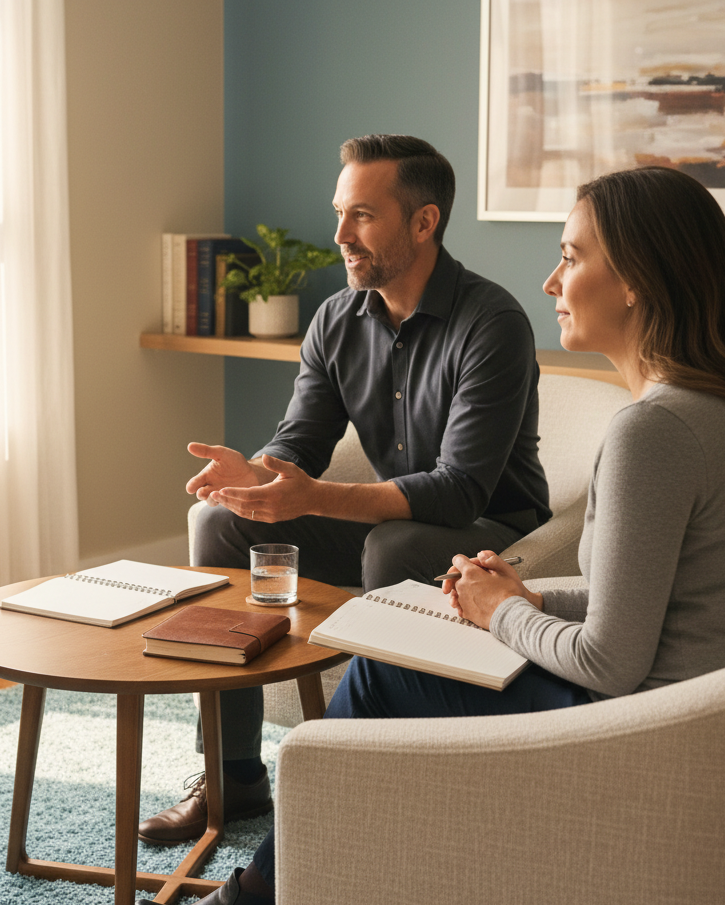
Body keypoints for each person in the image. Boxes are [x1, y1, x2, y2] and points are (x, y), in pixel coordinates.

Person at [132, 165, 725, 905]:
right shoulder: (716, 407)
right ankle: (300, 887)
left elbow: (612, 661)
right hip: (705, 716)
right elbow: (651, 603)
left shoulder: (653, 432)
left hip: (655, 732)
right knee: (411, 631)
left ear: (635, 280)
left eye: (571, 256)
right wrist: (522, 597)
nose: (552, 280)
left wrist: (500, 614)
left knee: (385, 675)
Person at [137, 135, 550, 847]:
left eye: (362, 215)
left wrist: (312, 498)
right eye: (340, 213)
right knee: (218, 525)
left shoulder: (493, 323)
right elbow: (300, 443)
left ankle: (373, 778)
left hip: (492, 529)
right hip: (392, 518)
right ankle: (233, 774)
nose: (339, 236)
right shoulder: (336, 319)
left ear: (424, 222)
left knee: (397, 545)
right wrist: (258, 475)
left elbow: (457, 492)